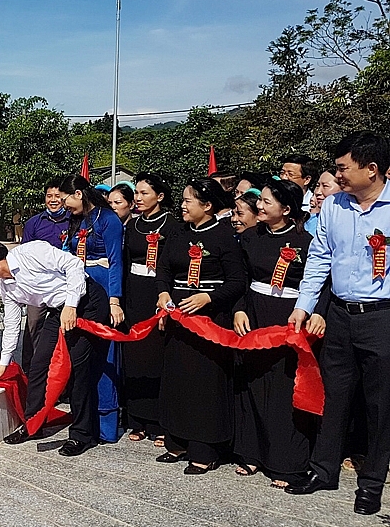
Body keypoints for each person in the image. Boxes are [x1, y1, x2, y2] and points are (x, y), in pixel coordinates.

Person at [286, 132, 390, 515]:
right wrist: (304, 304)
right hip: (340, 315)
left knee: (380, 404)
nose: (338, 175)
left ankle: (372, 483)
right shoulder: (333, 207)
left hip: (382, 316)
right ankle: (323, 469)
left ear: (372, 168)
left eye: (344, 168)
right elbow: (319, 259)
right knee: (335, 395)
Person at [0, 239, 110, 455]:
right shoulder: (6, 287)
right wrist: (3, 363)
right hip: (58, 310)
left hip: (86, 303)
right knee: (38, 364)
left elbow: (74, 265)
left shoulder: (31, 252)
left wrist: (71, 305)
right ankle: (33, 424)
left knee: (76, 369)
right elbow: (11, 324)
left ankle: (82, 435)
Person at [232, 179, 325, 488]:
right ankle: (251, 452)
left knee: (285, 389)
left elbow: (321, 283)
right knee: (253, 385)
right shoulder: (250, 238)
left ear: (286, 209)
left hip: (290, 318)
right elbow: (240, 279)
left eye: (267, 202)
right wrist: (240, 309)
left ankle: (286, 462)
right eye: (260, 201)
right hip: (255, 315)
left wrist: (316, 314)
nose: (260, 206)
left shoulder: (307, 241)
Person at [155, 177, 246, 474]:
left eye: (188, 201)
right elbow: (164, 269)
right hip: (179, 314)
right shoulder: (178, 234)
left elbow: (236, 282)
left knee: (204, 382)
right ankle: (177, 440)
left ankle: (205, 448)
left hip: (210, 316)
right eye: (182, 200)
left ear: (207, 206)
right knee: (177, 379)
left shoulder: (223, 236)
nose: (182, 205)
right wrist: (164, 292)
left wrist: (207, 297)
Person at [57, 175, 125, 442]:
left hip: (103, 286)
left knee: (104, 354)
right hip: (78, 290)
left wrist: (115, 300)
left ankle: (106, 421)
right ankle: (84, 418)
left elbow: (116, 261)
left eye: (65, 199)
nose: (63, 205)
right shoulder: (73, 221)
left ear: (78, 193)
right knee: (81, 355)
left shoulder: (108, 220)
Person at [122, 174, 176, 445]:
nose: (139, 198)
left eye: (144, 193)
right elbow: (125, 260)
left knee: (158, 356)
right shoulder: (132, 226)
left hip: (159, 291)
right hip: (134, 290)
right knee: (135, 353)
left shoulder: (172, 225)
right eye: (137, 193)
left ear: (160, 196)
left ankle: (159, 420)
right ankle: (137, 418)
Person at [19, 179, 70, 373]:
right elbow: (24, 253)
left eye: (58, 196)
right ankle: (31, 370)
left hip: (64, 283)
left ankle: (60, 372)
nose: (53, 200)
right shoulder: (34, 223)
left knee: (63, 326)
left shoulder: (72, 220)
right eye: (49, 196)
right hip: (37, 284)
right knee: (33, 323)